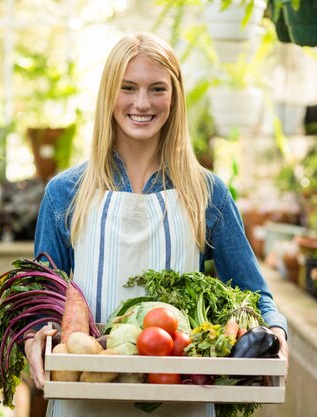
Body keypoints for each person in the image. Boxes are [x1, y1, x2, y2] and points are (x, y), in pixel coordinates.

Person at [25, 32, 289, 417]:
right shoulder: (65, 192)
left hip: (182, 402)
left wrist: (276, 332)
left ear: (175, 97)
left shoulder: (206, 193)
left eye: (157, 89)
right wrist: (35, 336)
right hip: (83, 400)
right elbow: (41, 299)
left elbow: (254, 294)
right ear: (108, 95)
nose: (142, 103)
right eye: (127, 88)